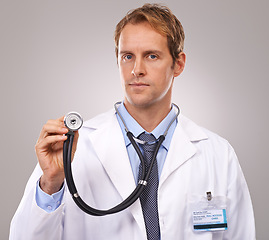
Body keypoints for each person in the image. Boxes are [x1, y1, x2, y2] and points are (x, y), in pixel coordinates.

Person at [9, 3, 256, 240]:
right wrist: (51, 183)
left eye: (151, 56)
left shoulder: (218, 154)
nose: (136, 69)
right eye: (127, 56)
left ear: (178, 64)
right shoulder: (73, 149)